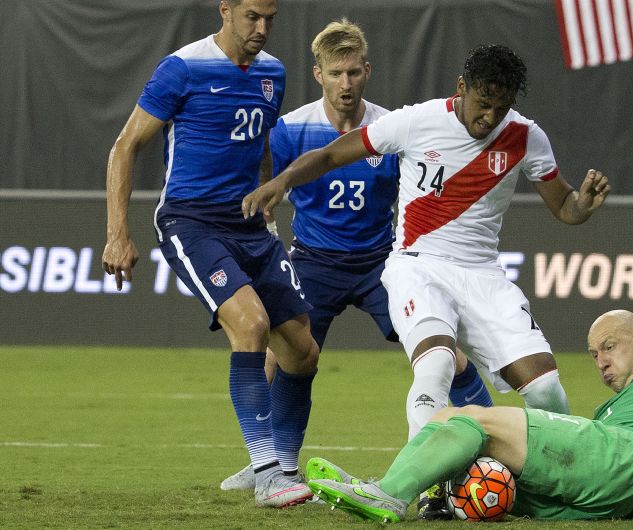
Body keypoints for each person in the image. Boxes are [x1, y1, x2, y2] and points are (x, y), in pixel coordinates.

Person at [241, 44, 611, 442]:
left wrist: (582, 205)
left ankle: (558, 478)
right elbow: (332, 156)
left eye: (499, 108)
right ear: (461, 87)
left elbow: (565, 207)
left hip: (483, 275)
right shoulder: (418, 121)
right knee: (436, 366)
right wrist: (280, 182)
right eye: (482, 103)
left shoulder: (526, 136)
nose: (489, 118)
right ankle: (427, 489)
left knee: (545, 390)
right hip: (418, 267)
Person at [218, 18, 494, 499]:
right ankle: (275, 464)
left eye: (353, 72)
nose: (345, 83)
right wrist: (263, 236)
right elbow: (260, 182)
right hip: (311, 263)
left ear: (367, 71)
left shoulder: (389, 128)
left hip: (380, 265)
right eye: (335, 73)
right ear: (318, 75)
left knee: (445, 353)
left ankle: (495, 447)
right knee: (284, 358)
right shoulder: (290, 131)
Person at [102, 0, 317, 508]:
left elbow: (261, 141)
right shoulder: (182, 68)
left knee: (303, 351)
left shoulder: (273, 73)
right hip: (190, 221)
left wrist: (266, 195)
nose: (262, 29)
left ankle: (280, 464)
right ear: (225, 10)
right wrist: (117, 234)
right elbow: (124, 146)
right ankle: (268, 473)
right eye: (251, 17)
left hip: (248, 224)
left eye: (270, 19)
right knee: (251, 324)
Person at [304, 310, 633, 523]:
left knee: (469, 419)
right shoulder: (611, 409)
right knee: (479, 446)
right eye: (593, 353)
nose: (601, 360)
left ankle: (391, 493)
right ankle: (442, 496)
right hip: (619, 497)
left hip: (628, 458)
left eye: (610, 347)